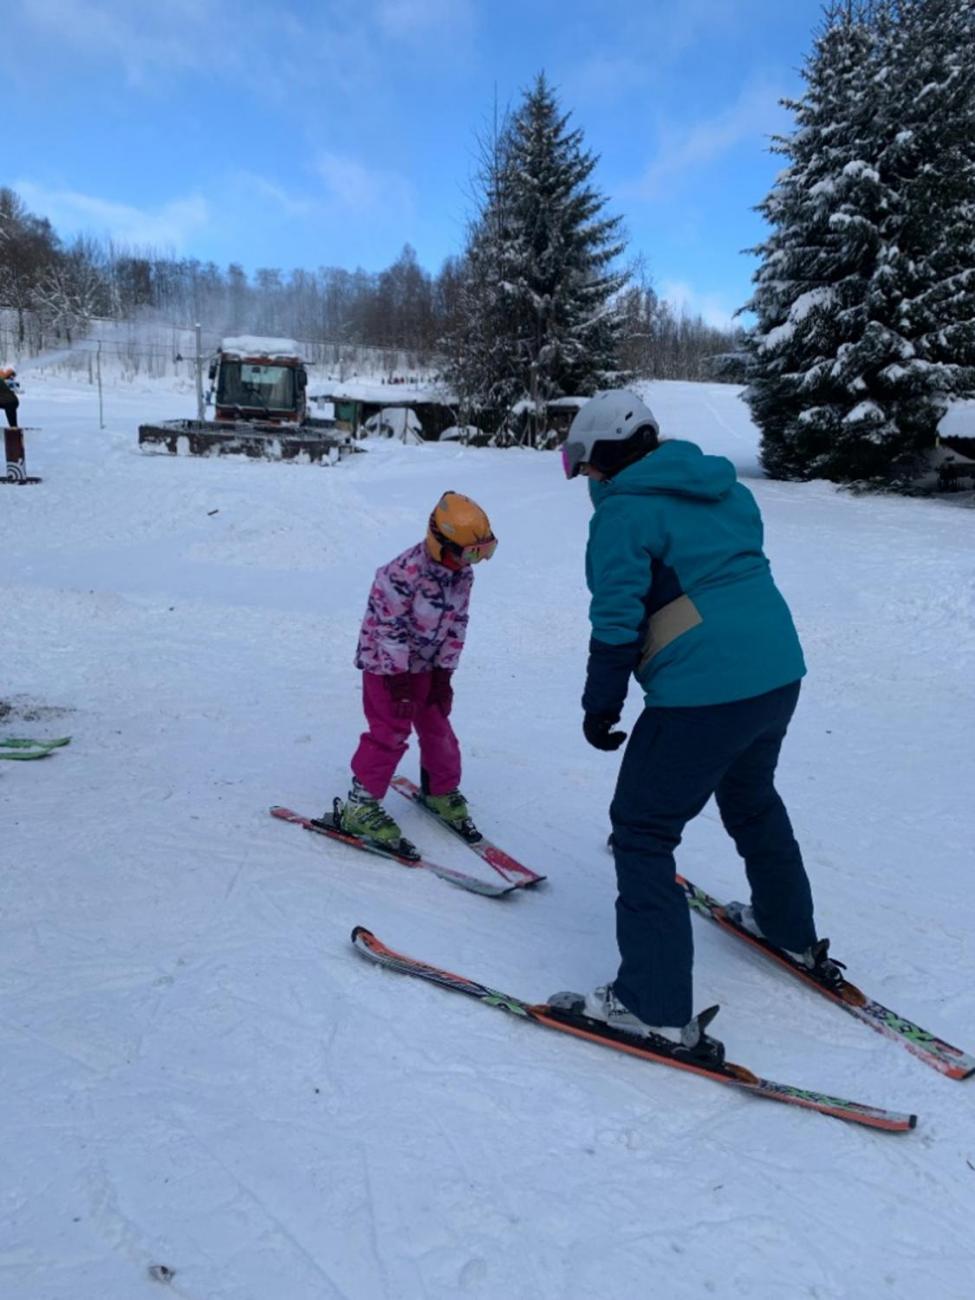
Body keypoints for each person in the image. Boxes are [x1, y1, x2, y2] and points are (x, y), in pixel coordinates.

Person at [559, 389, 838, 1063]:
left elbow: (617, 617)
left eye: (578, 462)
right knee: (750, 797)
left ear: (602, 455)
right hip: (776, 672)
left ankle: (651, 1006)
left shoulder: (625, 512)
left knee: (642, 830)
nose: (580, 477)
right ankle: (786, 929)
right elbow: (718, 579)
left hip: (704, 692)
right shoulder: (727, 491)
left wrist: (601, 703)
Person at [331, 491, 498, 855]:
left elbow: (458, 623)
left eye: (483, 552)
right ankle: (359, 805)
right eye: (470, 553)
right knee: (390, 731)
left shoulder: (462, 576)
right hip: (386, 669)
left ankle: (440, 790)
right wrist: (399, 683)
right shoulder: (399, 575)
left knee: (438, 726)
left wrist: (444, 675)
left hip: (427, 666)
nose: (476, 562)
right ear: (442, 544)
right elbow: (388, 630)